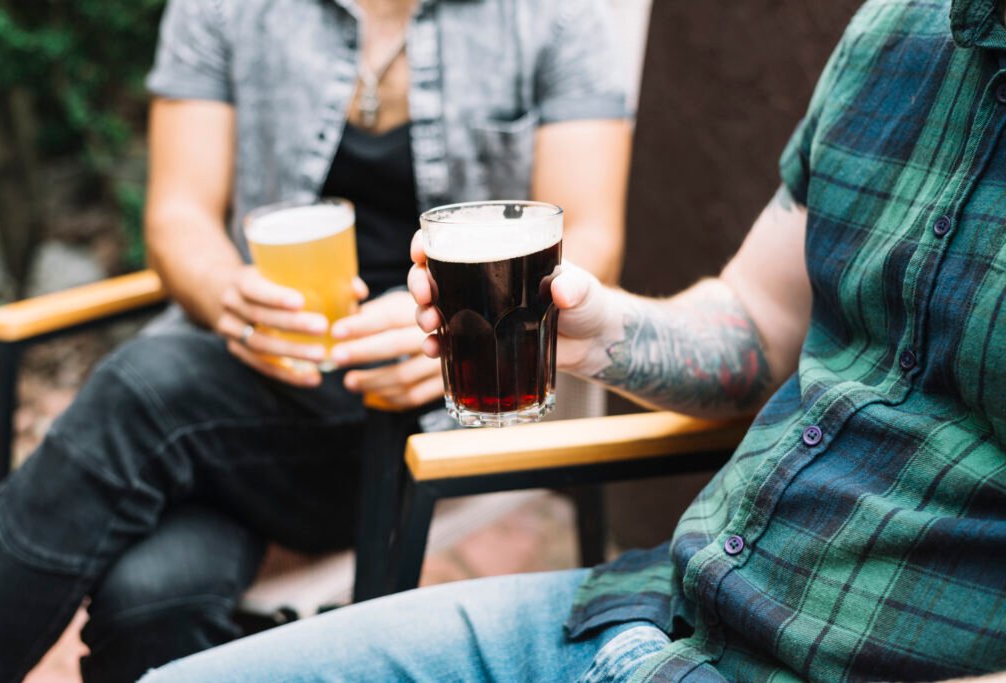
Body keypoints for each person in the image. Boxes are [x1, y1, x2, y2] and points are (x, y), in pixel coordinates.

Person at [139, 0, 1006, 680]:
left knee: (144, 398)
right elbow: (754, 324)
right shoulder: (897, 33)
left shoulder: (546, 20)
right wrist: (591, 331)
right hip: (653, 611)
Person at [0, 0, 631, 680]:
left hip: (419, 416)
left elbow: (592, 238)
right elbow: (178, 216)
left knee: (141, 391)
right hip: (236, 388)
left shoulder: (555, 16)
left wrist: (449, 337)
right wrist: (227, 293)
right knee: (153, 598)